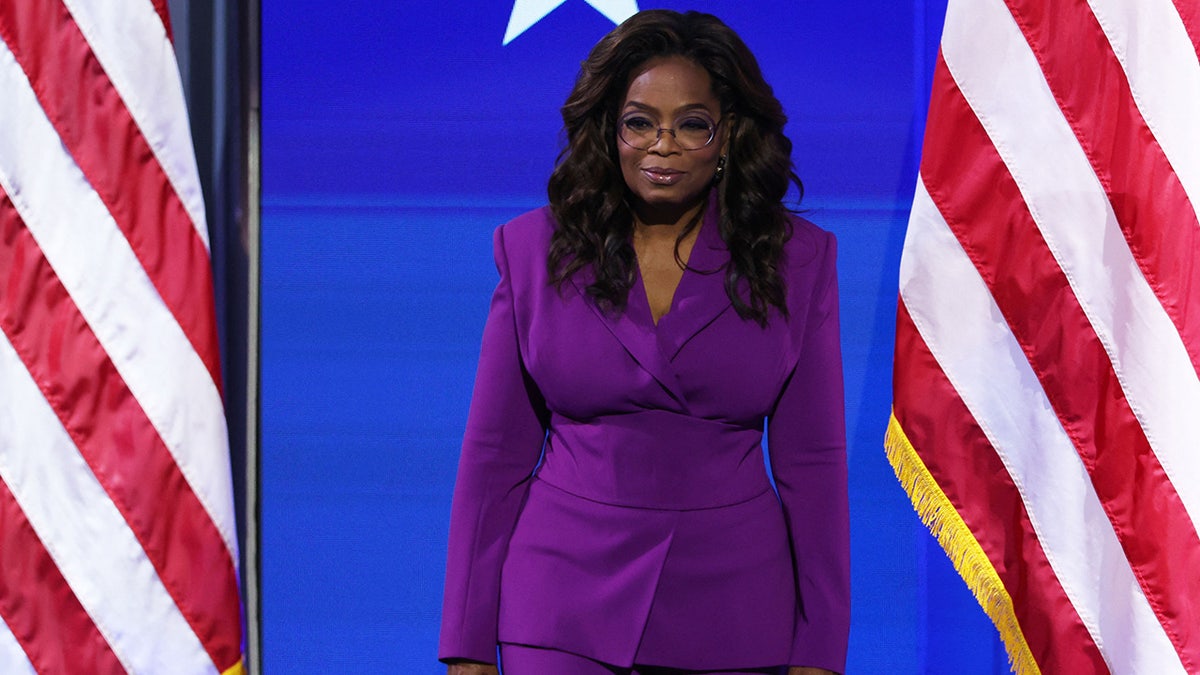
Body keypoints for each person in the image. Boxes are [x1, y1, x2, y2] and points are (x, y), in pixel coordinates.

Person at [439, 9, 848, 675]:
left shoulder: (796, 261)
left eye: (691, 124)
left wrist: (821, 651)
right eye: (640, 122)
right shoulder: (533, 251)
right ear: (610, 130)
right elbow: (493, 458)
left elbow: (816, 468)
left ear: (727, 137)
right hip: (558, 612)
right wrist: (466, 647)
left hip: (734, 618)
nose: (663, 145)